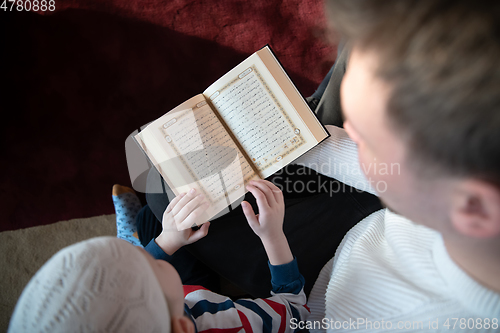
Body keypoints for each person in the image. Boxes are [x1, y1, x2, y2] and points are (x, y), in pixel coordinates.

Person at [9, 180, 309, 333]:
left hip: (179, 300)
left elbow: (152, 272)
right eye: (143, 267)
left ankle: (136, 239)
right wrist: (272, 235)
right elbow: (297, 311)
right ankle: (134, 239)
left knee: (152, 223)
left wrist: (167, 240)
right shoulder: (225, 323)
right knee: (155, 203)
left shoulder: (164, 318)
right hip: (201, 299)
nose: (144, 260)